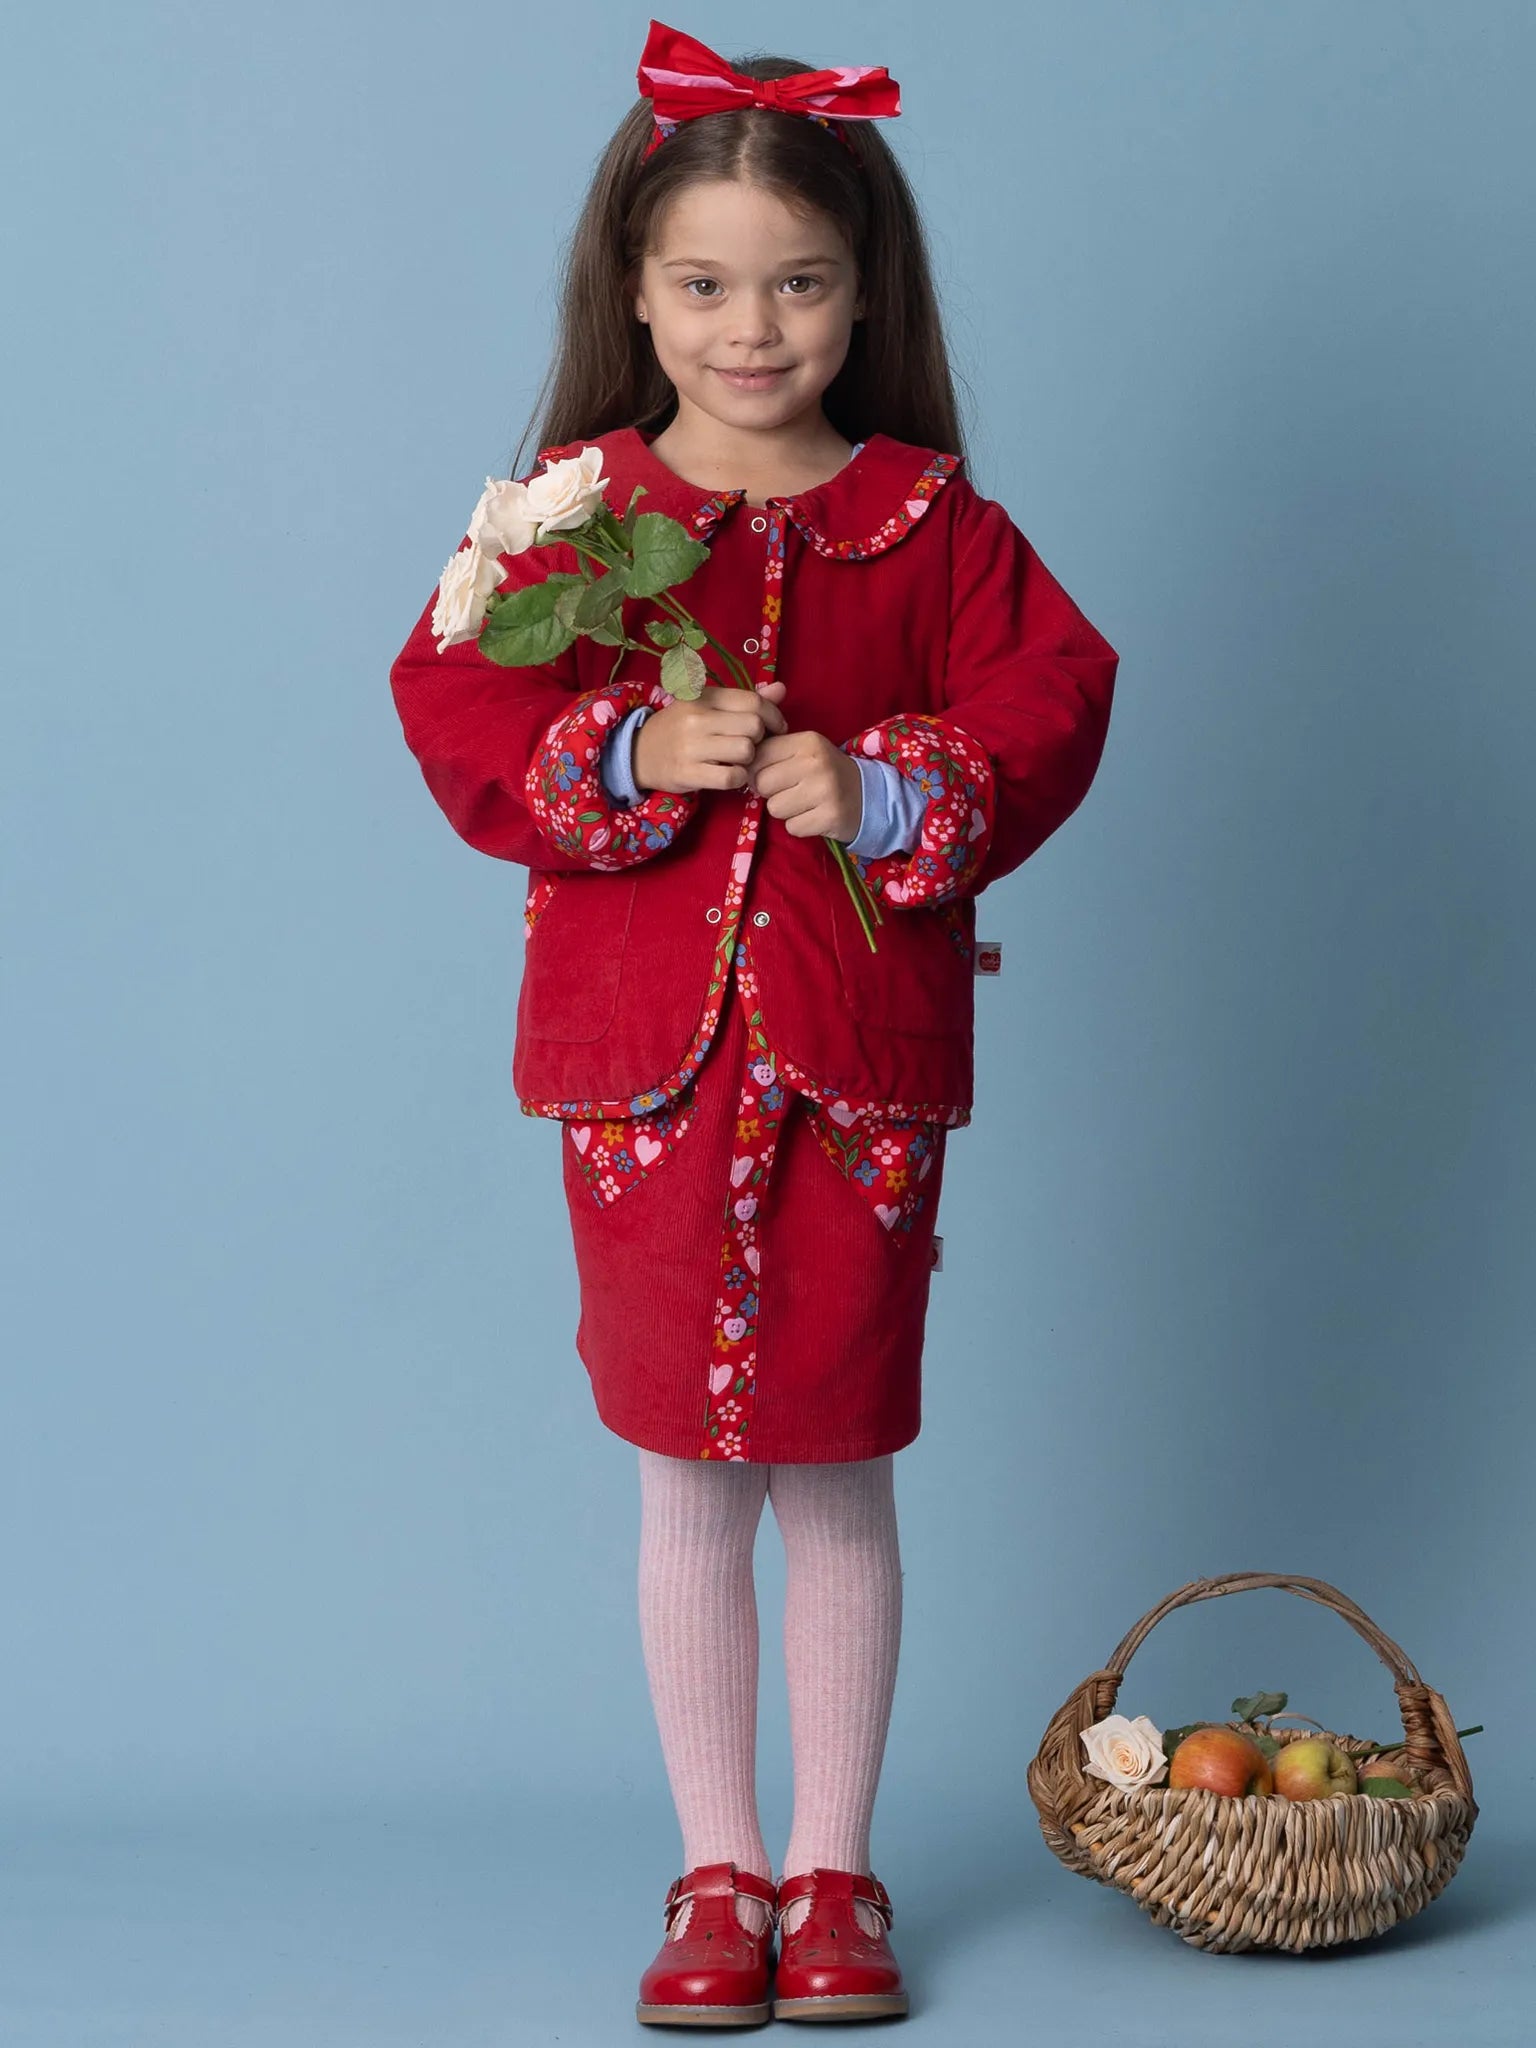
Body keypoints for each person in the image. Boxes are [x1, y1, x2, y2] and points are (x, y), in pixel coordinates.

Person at [388, 17, 1119, 2027]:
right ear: (634, 285)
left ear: (862, 289)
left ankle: (837, 1870)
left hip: (857, 1063)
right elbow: (452, 703)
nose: (750, 325)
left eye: (797, 282)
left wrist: (883, 789)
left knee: (842, 1458)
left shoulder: (930, 521)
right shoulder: (564, 525)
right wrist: (635, 736)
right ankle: (718, 1870)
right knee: (684, 1473)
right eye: (705, 283)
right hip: (641, 1068)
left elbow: (1052, 698)